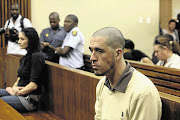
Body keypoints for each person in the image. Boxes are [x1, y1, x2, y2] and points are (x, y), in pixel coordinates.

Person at [89, 27, 162, 120]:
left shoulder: (143, 93)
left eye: (99, 51)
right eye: (91, 50)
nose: (92, 58)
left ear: (118, 54)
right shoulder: (102, 84)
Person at [0, 27, 45, 113]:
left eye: (22, 39)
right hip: (19, 93)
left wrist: (16, 92)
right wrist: (14, 88)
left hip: (28, 99)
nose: (19, 42)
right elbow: (19, 78)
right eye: (19, 39)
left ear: (31, 40)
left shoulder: (37, 57)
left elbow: (33, 86)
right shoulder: (26, 56)